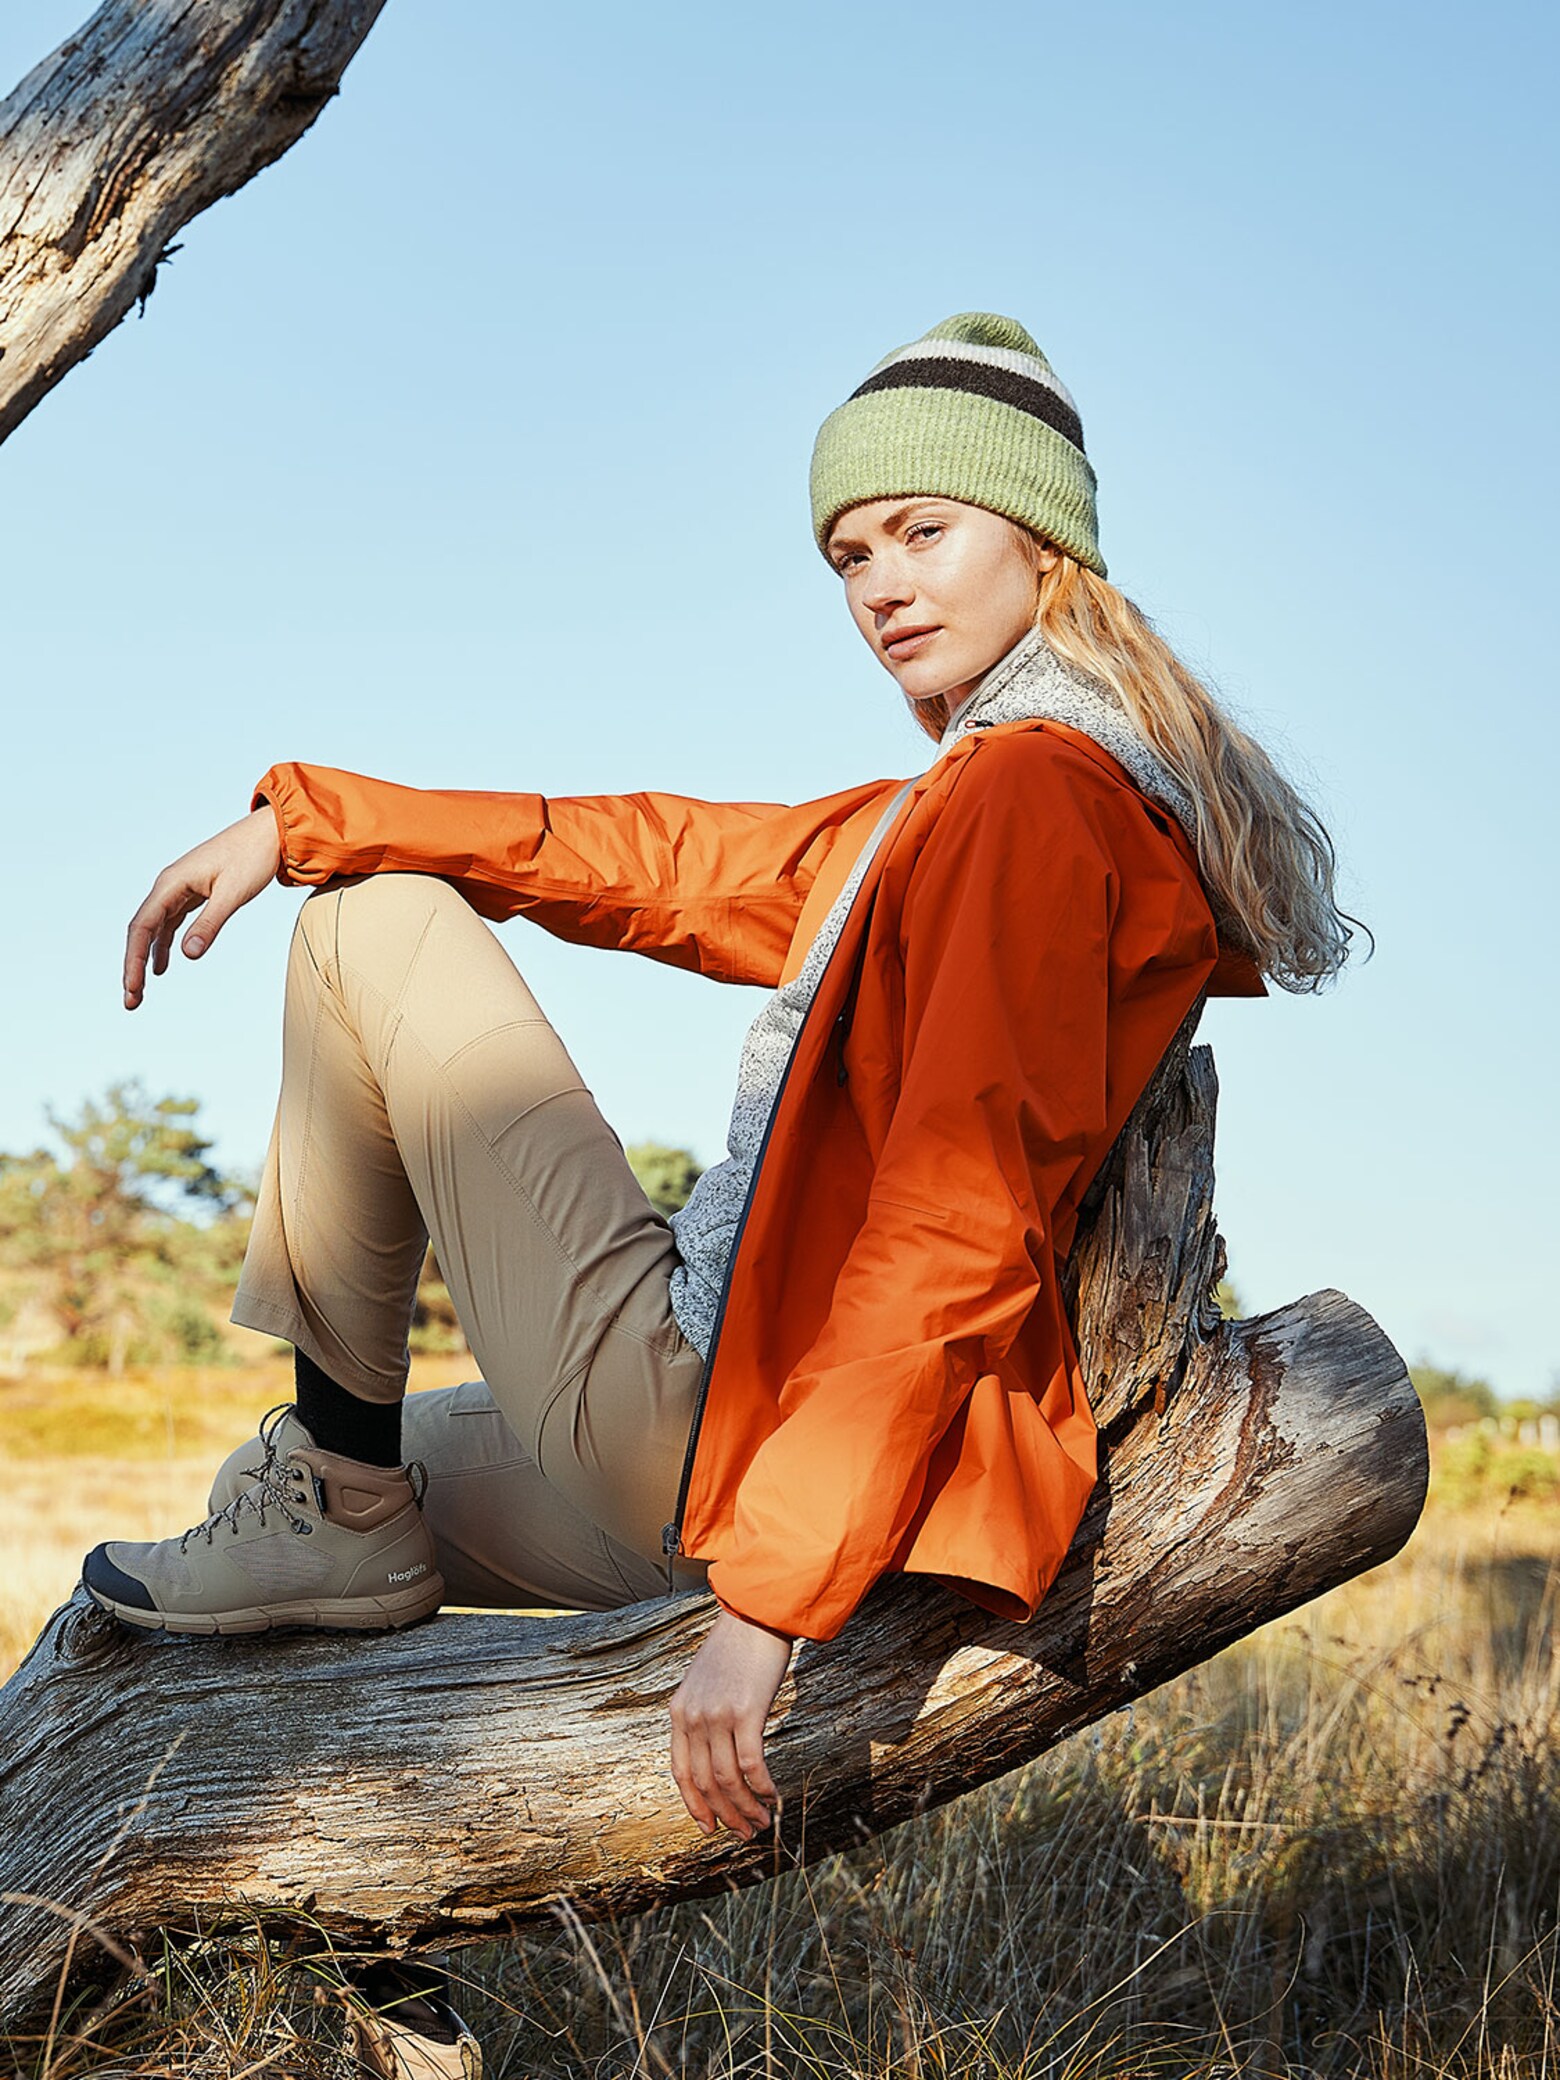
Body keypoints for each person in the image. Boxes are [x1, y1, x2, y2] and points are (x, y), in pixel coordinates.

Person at [84, 312, 1355, 1857]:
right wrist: (307, 815)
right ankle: (345, 1909)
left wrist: (765, 1610)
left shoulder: (1032, 801)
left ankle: (343, 1523)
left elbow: (959, 1224)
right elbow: (670, 862)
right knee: (297, 1489)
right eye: (846, 556)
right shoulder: (968, 808)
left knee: (371, 930)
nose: (879, 585)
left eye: (921, 530)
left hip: (728, 1453)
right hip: (736, 1462)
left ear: (1042, 542)